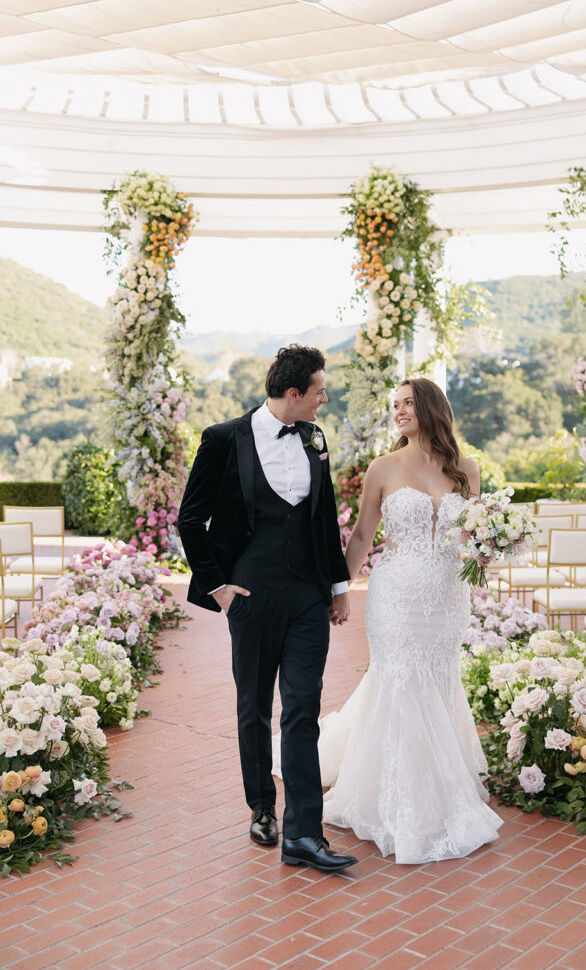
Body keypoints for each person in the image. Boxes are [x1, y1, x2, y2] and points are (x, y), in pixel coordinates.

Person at [178, 344, 358, 874]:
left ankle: (304, 833)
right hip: (251, 595)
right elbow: (191, 519)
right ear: (293, 393)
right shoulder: (222, 439)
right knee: (254, 706)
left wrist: (338, 585)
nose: (325, 400)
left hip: (307, 597)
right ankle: (262, 806)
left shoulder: (315, 439)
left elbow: (323, 517)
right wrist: (219, 588)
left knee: (304, 708)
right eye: (320, 391)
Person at [315, 378, 503, 863]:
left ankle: (439, 779)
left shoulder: (467, 469)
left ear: (431, 407)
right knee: (400, 681)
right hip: (396, 596)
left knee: (437, 680)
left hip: (447, 599)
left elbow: (470, 538)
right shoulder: (383, 467)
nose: (398, 411)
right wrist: (340, 590)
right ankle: (403, 801)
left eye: (407, 403)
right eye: (394, 404)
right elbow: (361, 535)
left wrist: (489, 549)